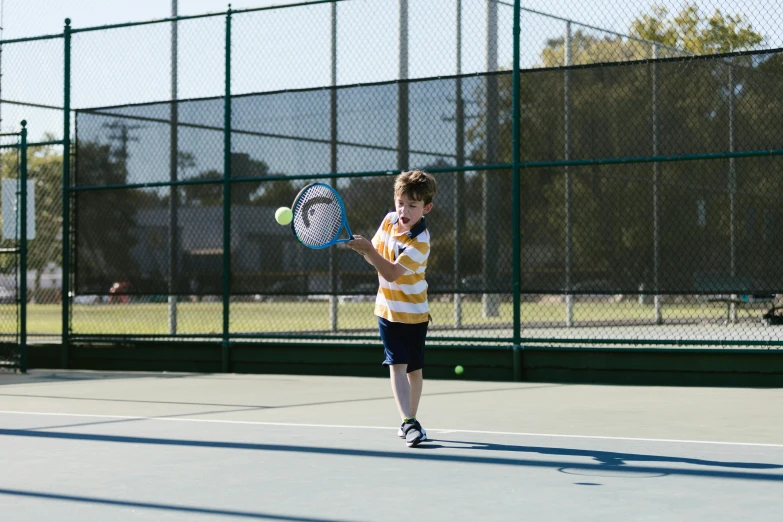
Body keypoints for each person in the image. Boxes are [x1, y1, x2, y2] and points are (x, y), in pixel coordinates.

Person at [346, 170, 437, 448]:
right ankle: (408, 422)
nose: (404, 210)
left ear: (426, 208)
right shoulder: (388, 221)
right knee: (397, 364)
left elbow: (391, 272)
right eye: (400, 203)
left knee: (414, 370)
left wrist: (368, 252)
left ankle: (409, 419)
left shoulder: (420, 241)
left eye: (412, 205)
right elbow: (374, 253)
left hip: (416, 312)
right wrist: (364, 249)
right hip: (387, 311)